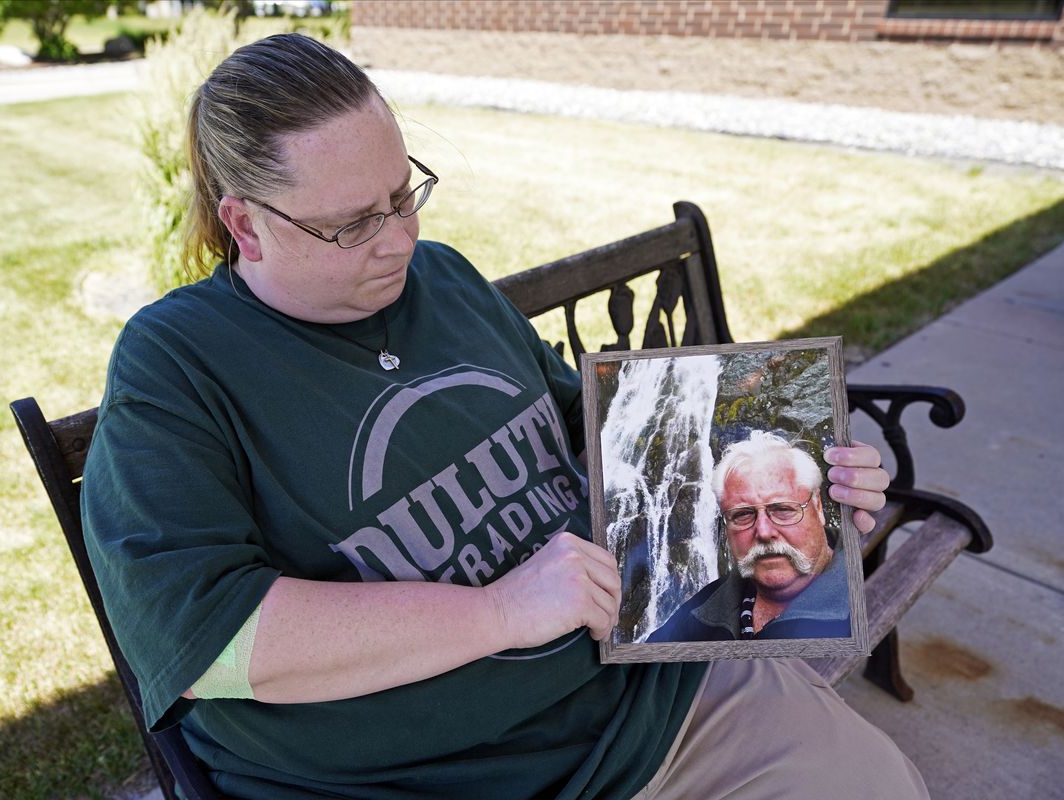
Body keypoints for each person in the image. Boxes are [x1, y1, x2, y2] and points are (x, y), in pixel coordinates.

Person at [81, 33, 926, 799]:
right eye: (352, 225)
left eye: (404, 194)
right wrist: (500, 612)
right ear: (245, 225)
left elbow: (598, 434)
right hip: (429, 778)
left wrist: (798, 466)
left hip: (651, 704)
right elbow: (206, 642)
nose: (399, 240)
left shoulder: (443, 279)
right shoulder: (178, 361)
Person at [646, 431, 851, 643]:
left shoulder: (866, 590)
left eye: (782, 509)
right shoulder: (699, 613)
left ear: (818, 507)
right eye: (743, 515)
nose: (763, 532)